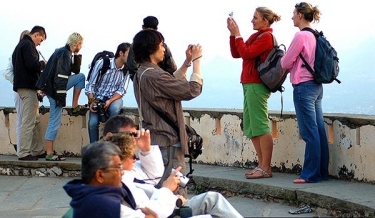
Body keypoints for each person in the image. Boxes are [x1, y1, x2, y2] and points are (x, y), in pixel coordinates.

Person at [102, 115, 243, 218]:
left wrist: (146, 149)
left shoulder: (126, 168)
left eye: (135, 134)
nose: (133, 139)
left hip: (167, 205)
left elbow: (155, 175)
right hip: (163, 209)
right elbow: (148, 212)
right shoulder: (112, 177)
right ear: (110, 136)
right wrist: (166, 191)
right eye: (129, 135)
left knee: (213, 199)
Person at [132, 29, 203, 196]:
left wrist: (186, 63)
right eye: (161, 45)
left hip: (157, 139)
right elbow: (192, 90)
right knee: (175, 196)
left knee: (161, 192)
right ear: (151, 49)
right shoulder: (153, 75)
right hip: (168, 142)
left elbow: (169, 83)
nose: (164, 49)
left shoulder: (143, 72)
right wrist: (197, 62)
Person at [227, 7, 281, 179]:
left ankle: (266, 167)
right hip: (249, 83)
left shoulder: (266, 37)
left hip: (257, 84)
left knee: (260, 124)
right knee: (252, 127)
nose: (252, 20)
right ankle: (261, 165)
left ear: (265, 21)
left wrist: (238, 34)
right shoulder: (256, 36)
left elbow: (247, 53)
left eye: (255, 17)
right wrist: (233, 35)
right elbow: (237, 53)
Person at [280, 2, 329, 184]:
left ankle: (310, 174)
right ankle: (322, 171)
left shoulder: (300, 36)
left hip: (303, 86)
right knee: (319, 130)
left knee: (309, 132)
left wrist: (284, 60)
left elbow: (285, 63)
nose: (292, 16)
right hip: (316, 86)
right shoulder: (315, 36)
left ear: (300, 15)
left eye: (293, 13)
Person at [63, 141, 158, 218]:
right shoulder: (105, 206)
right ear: (100, 175)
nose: (122, 172)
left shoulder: (85, 196)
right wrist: (167, 190)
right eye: (118, 168)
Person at [36, 32, 85, 161]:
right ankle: (49, 153)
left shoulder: (64, 52)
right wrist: (60, 98)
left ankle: (49, 151)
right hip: (55, 90)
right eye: (81, 44)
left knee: (80, 77)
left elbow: (75, 71)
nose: (82, 47)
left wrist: (77, 55)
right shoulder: (64, 54)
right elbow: (61, 78)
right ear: (78, 43)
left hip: (51, 88)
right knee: (54, 121)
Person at [12, 26, 47, 161]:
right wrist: (43, 64)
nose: (40, 43)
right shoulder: (28, 45)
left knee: (35, 120)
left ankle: (38, 150)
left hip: (23, 87)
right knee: (28, 121)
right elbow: (32, 65)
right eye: (41, 40)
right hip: (28, 87)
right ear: (36, 35)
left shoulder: (20, 46)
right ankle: (24, 152)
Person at [85, 42, 131, 143]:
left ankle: (109, 143)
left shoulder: (127, 69)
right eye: (129, 54)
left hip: (114, 98)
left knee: (114, 109)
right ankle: (94, 148)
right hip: (98, 97)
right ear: (121, 53)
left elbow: (122, 90)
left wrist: (110, 101)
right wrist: (92, 101)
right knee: (92, 123)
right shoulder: (103, 63)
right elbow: (90, 85)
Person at [2, 30, 30, 155]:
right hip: (20, 90)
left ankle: (26, 149)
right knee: (21, 120)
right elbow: (7, 72)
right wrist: (19, 83)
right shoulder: (16, 54)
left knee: (28, 120)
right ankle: (21, 150)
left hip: (27, 90)